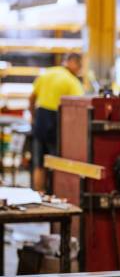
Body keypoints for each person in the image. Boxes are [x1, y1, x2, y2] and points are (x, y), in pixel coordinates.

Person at [29, 53, 84, 191]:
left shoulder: (48, 73)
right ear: (73, 63)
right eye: (79, 65)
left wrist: (34, 117)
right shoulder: (72, 81)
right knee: (57, 164)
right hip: (56, 122)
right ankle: (55, 195)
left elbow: (31, 98)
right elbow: (79, 108)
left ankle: (39, 196)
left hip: (40, 119)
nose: (79, 69)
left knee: (39, 164)